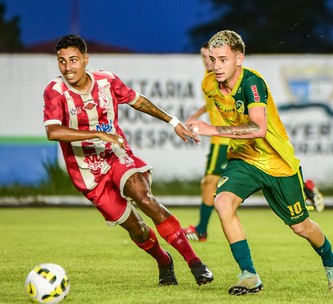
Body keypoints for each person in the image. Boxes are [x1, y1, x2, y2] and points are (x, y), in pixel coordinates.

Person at [42, 34, 213, 287]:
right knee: (137, 229)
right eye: (62, 61)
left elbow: (138, 101)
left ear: (86, 59)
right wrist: (97, 133)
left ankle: (195, 263)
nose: (68, 67)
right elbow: (53, 132)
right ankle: (164, 261)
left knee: (145, 198)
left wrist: (173, 121)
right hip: (88, 174)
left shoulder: (106, 80)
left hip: (117, 156)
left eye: (74, 60)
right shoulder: (54, 92)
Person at [186, 30, 333, 295]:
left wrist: (210, 129)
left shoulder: (252, 83)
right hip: (243, 158)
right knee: (222, 202)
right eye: (212, 59)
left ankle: (331, 260)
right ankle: (249, 275)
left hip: (277, 163)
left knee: (300, 226)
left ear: (239, 58)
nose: (216, 66)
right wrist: (189, 127)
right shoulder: (209, 84)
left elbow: (258, 128)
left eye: (223, 59)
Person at [183, 42, 230, 242]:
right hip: (219, 139)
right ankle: (201, 229)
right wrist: (197, 114)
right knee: (208, 183)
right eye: (203, 57)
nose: (207, 61)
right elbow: (212, 102)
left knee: (210, 183)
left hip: (226, 139)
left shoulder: (224, 77)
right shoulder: (208, 76)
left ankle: (201, 230)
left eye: (210, 57)